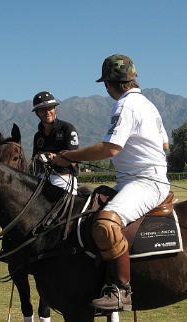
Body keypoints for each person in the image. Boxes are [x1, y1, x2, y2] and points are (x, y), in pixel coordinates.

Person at [52, 54, 170, 312]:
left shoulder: (126, 106)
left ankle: (121, 291)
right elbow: (165, 145)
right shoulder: (149, 105)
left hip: (145, 183)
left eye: (106, 84)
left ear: (110, 83)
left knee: (106, 224)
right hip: (139, 180)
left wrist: (68, 157)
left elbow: (111, 148)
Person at [31, 91, 79, 194]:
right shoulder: (38, 136)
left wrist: (56, 157)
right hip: (42, 176)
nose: (48, 112)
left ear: (55, 109)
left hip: (63, 178)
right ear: (37, 113)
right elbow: (35, 160)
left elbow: (74, 158)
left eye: (50, 108)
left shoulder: (67, 128)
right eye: (43, 110)